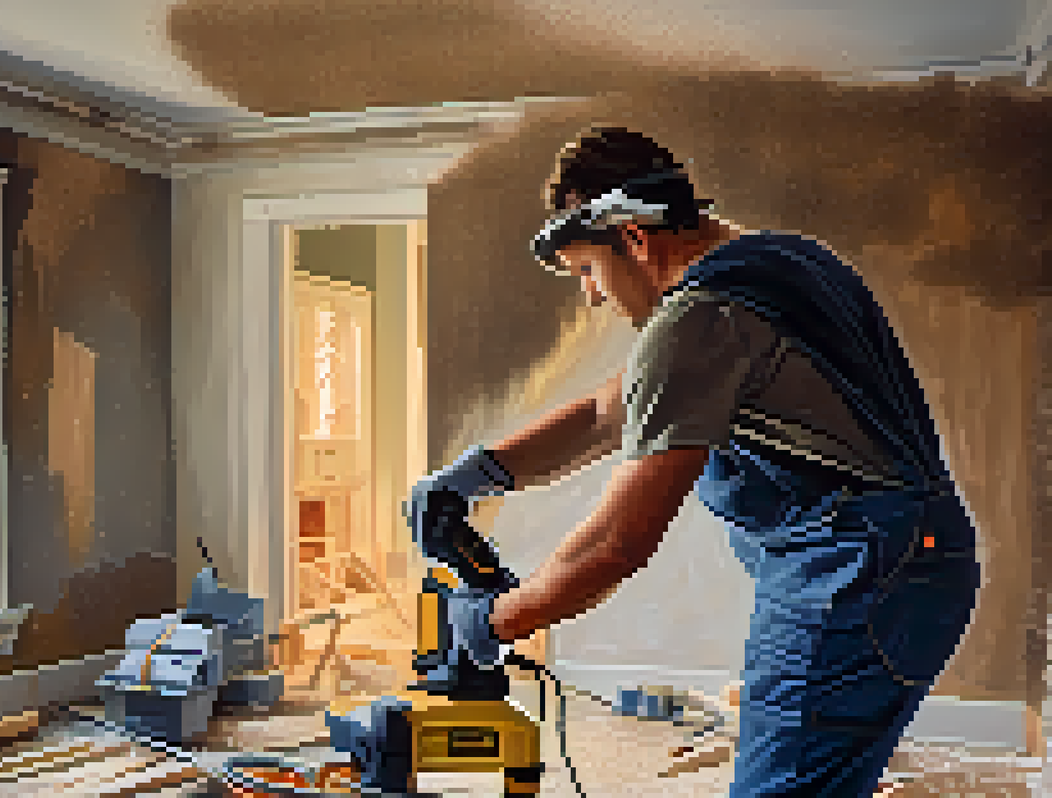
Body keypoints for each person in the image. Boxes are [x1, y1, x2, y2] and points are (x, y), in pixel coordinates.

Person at [403, 127, 980, 796]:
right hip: (923, 564)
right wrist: (478, 472)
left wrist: (495, 622)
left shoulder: (696, 320)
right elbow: (605, 412)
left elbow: (616, 544)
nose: (591, 295)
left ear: (636, 237)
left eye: (588, 270)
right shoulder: (784, 268)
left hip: (848, 578)